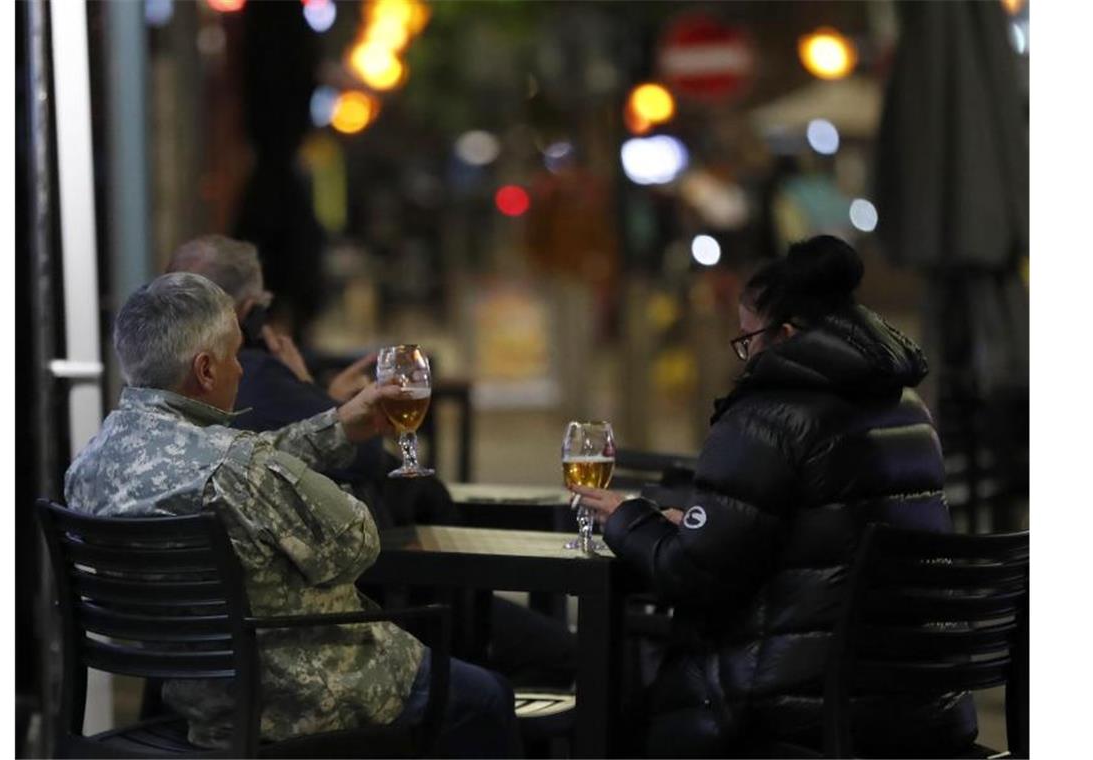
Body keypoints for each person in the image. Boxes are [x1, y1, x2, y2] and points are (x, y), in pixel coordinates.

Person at [64, 272, 521, 757]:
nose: (241, 369)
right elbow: (356, 545)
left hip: (194, 699)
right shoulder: (238, 469)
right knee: (487, 696)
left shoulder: (88, 469)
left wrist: (338, 424)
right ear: (205, 370)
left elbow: (240, 461)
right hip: (296, 697)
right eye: (234, 355)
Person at [571, 235, 978, 757]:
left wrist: (630, 519)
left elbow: (694, 577)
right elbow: (823, 544)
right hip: (919, 702)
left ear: (784, 335)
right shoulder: (909, 407)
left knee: (621, 720)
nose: (744, 357)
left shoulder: (770, 416)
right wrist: (701, 523)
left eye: (747, 338)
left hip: (797, 706)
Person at [167, 235, 578, 689]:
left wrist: (322, 405)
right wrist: (312, 396)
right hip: (320, 643)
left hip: (194, 668)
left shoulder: (128, 450)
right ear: (248, 315)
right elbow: (368, 508)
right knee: (514, 681)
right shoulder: (255, 383)